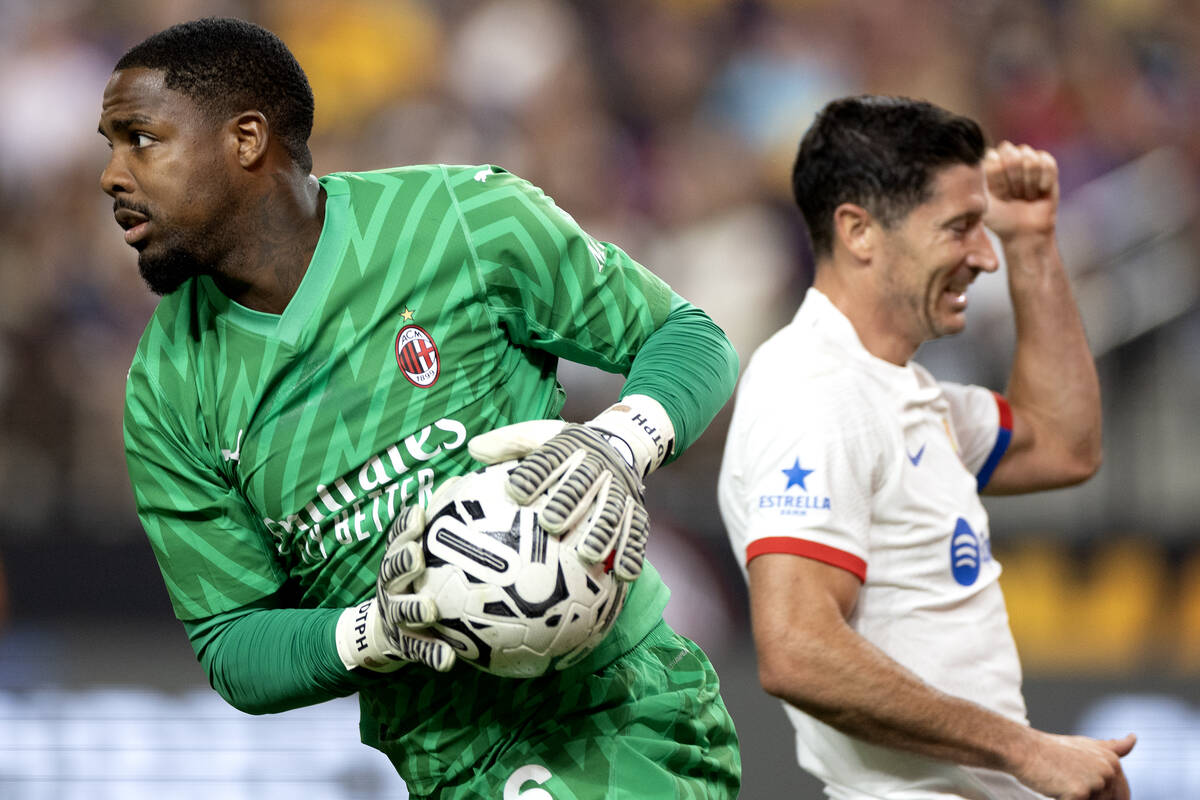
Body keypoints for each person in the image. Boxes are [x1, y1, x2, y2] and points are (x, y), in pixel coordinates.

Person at [100, 17, 740, 799]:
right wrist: (374, 629)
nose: (112, 174)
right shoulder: (166, 389)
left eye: (139, 138)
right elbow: (233, 643)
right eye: (109, 144)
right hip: (447, 764)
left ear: (245, 139)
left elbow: (688, 337)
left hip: (616, 713)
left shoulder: (458, 222)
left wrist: (618, 442)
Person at [717, 95, 1135, 800]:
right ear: (859, 231)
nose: (983, 256)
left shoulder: (900, 391)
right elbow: (796, 649)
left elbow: (1063, 444)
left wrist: (1032, 240)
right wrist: (1023, 749)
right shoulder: (815, 392)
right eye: (960, 228)